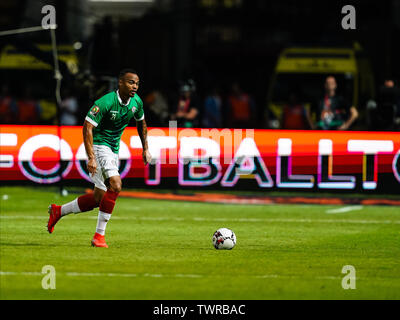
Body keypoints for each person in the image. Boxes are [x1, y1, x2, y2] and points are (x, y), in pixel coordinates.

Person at [47, 69, 151, 248]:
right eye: (130, 82)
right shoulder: (105, 102)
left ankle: (58, 211)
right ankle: (99, 236)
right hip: (99, 146)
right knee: (116, 185)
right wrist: (91, 157)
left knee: (98, 198)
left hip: (113, 149)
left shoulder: (137, 102)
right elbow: (87, 126)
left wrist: (145, 148)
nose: (134, 86)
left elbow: (141, 122)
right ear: (120, 83)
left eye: (137, 83)